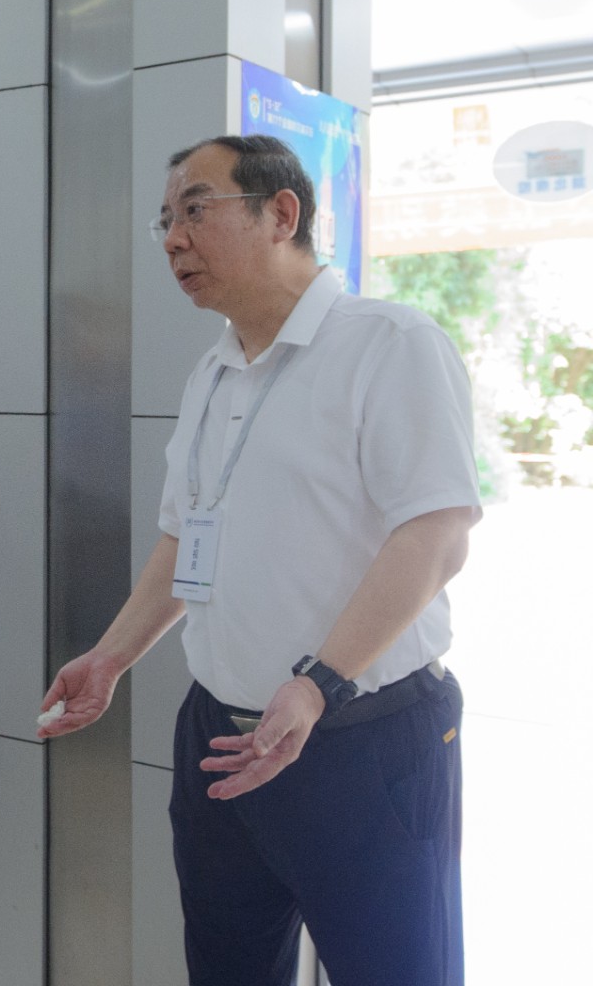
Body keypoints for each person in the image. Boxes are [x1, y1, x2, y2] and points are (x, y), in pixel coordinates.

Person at [38, 135, 480, 985]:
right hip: (219, 732)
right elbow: (185, 537)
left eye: (195, 210)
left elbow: (436, 535)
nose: (172, 238)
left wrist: (318, 684)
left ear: (281, 214)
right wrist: (111, 657)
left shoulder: (390, 343)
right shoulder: (213, 373)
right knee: (228, 967)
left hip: (361, 739)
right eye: (165, 221)